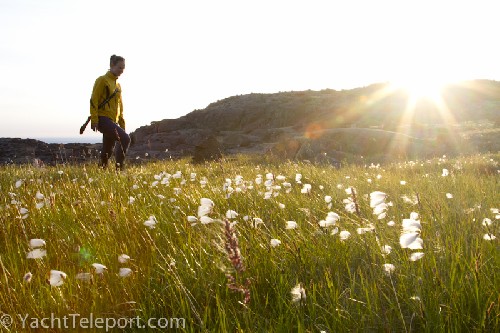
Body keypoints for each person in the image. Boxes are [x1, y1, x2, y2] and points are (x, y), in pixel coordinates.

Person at [89, 54, 131, 170]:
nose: (122, 71)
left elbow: (120, 106)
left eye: (123, 68)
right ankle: (120, 169)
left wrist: (122, 124)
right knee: (125, 139)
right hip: (103, 119)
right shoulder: (102, 80)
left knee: (108, 149)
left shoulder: (118, 85)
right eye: (120, 68)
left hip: (113, 121)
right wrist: (94, 119)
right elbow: (94, 100)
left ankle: (102, 170)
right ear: (112, 65)